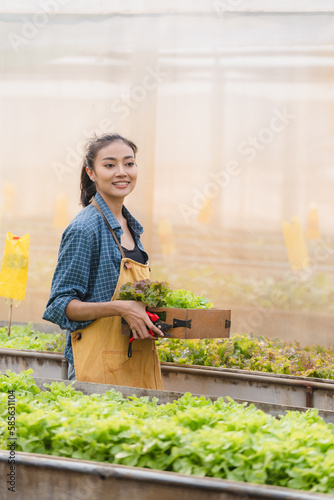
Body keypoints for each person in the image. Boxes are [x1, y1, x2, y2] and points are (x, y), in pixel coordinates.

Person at [43, 133, 164, 390]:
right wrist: (121, 308)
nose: (122, 172)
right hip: (96, 367)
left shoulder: (131, 227)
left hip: (135, 360)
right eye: (109, 165)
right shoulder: (85, 228)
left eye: (129, 163)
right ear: (91, 172)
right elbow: (60, 305)